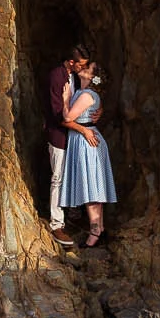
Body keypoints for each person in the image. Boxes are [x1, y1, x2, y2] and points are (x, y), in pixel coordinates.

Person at [59, 60, 117, 245]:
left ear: (92, 77)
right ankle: (99, 228)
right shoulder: (83, 93)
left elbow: (68, 117)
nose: (83, 68)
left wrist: (66, 99)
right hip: (84, 138)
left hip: (87, 141)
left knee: (92, 188)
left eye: (87, 68)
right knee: (93, 186)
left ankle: (95, 233)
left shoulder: (86, 95)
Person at [45, 45, 90, 244]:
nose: (84, 67)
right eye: (81, 64)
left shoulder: (74, 77)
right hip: (59, 135)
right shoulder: (57, 76)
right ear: (72, 62)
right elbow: (58, 116)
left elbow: (93, 83)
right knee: (58, 178)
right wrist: (84, 130)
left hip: (72, 135)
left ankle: (73, 214)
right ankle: (56, 224)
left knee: (75, 173)